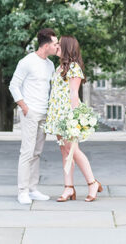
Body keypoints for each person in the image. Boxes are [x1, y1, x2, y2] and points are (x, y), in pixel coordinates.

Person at [45, 35, 102, 202]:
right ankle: (68, 187)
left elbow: (73, 94)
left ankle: (92, 182)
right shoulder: (59, 68)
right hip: (57, 114)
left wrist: (73, 120)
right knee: (65, 151)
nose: (56, 47)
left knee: (73, 151)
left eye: (58, 45)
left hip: (67, 115)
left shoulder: (74, 68)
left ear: (66, 47)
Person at [8, 27, 59, 205]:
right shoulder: (27, 61)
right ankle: (22, 191)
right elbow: (13, 85)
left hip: (44, 113)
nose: (57, 46)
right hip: (30, 112)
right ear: (46, 46)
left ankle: (33, 189)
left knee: (37, 153)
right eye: (55, 44)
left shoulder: (50, 64)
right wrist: (24, 107)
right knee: (27, 152)